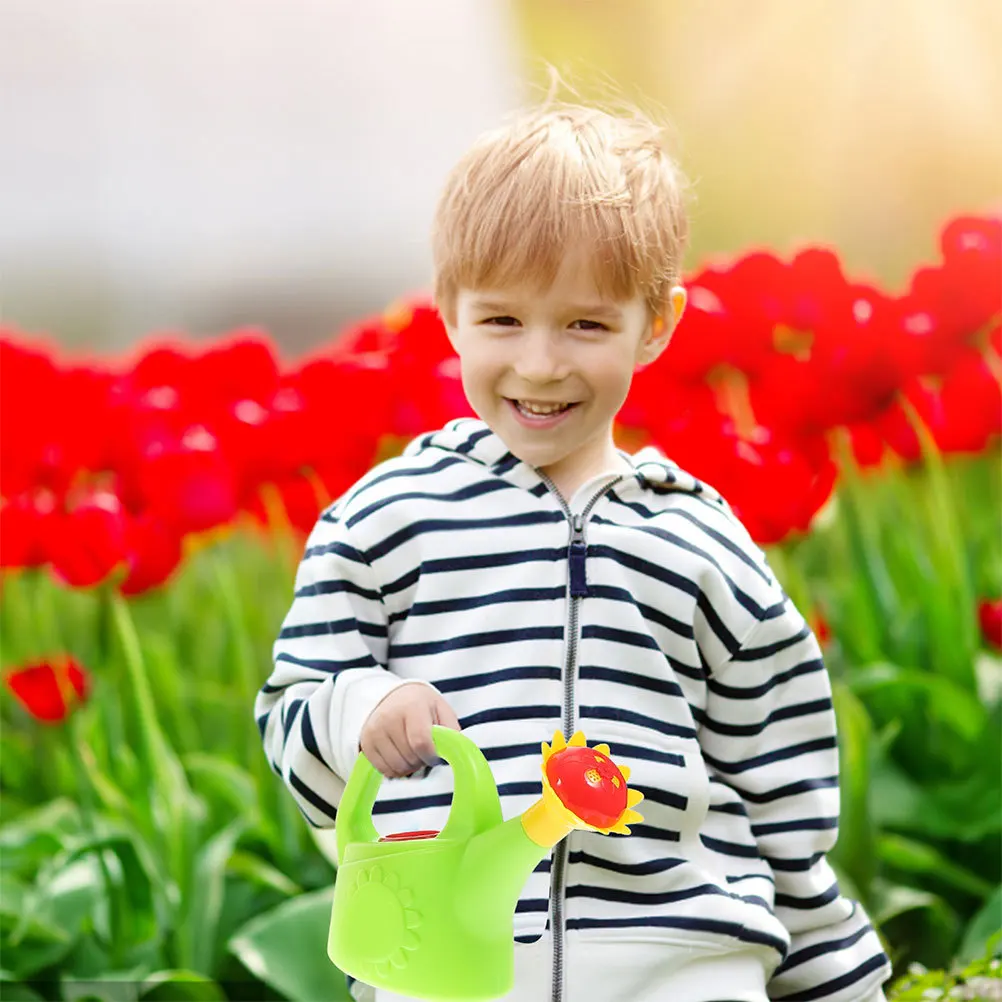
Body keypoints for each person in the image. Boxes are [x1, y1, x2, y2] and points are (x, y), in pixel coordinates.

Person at [254, 100, 892, 1002]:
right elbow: (288, 709)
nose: (542, 364)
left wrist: (839, 980)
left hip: (683, 964)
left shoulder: (700, 540)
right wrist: (362, 703)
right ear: (448, 311)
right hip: (450, 963)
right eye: (503, 321)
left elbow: (780, 789)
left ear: (657, 322)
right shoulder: (386, 520)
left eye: (586, 325)